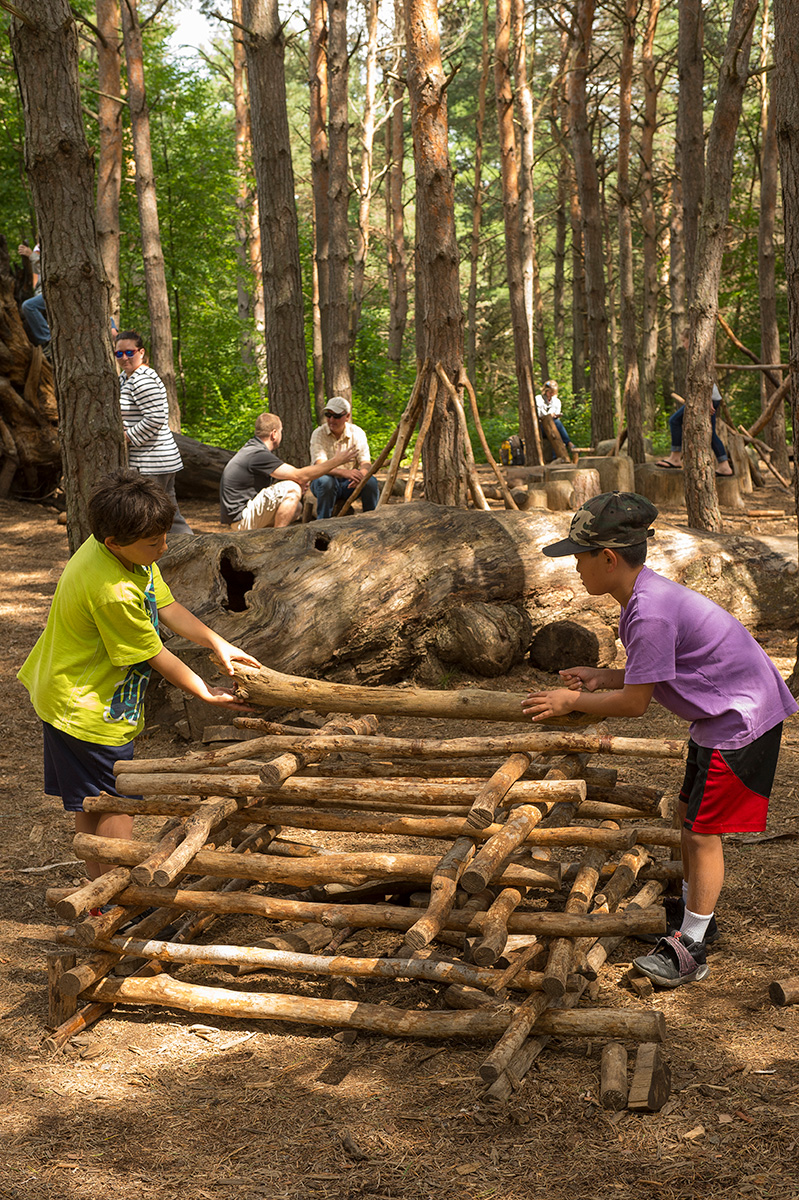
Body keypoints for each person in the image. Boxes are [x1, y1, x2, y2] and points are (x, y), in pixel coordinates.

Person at [521, 491, 797, 989]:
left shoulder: (648, 611)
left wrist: (571, 702)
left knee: (701, 831)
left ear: (608, 558)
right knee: (689, 813)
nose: (575, 568)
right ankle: (695, 912)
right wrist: (604, 676)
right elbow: (650, 673)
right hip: (722, 715)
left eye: (579, 557)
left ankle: (692, 943)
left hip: (740, 719)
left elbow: (635, 704)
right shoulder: (645, 597)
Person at [17, 470, 261, 881]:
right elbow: (153, 652)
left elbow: (165, 605)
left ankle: (99, 895)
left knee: (92, 799)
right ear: (115, 541)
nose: (164, 547)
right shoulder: (112, 589)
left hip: (68, 694)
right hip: (86, 707)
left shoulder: (122, 553)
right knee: (117, 799)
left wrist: (217, 642)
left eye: (163, 536)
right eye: (154, 542)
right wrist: (202, 690)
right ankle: (114, 894)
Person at [219, 411, 357, 530]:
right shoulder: (257, 454)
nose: (281, 435)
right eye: (281, 431)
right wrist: (337, 461)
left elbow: (294, 476)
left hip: (240, 517)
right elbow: (299, 475)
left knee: (296, 507)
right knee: (292, 488)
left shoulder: (253, 449)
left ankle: (264, 537)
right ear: (274, 434)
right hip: (242, 518)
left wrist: (298, 480)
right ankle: (277, 539)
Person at [116, 330, 193, 536]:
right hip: (152, 461)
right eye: (119, 354)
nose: (124, 358)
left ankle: (184, 552)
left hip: (153, 462)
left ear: (141, 352)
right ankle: (187, 551)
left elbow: (156, 417)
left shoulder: (143, 379)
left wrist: (127, 436)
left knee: (152, 515)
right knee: (167, 513)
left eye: (130, 352)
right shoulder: (126, 378)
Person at [309, 396, 380, 520]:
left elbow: (366, 462)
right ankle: (321, 524)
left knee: (370, 482)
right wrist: (345, 473)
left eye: (336, 416)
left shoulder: (357, 433)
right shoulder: (318, 433)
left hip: (349, 484)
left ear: (347, 416)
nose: (331, 420)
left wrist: (361, 476)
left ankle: (371, 521)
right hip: (323, 482)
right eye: (328, 415)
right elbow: (320, 465)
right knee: (326, 481)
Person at [655, 383, 732, 476]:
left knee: (675, 421)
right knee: (710, 433)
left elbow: (707, 376)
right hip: (706, 397)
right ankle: (724, 466)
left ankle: (675, 458)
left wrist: (707, 398)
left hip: (706, 398)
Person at [18, 243, 51, 353]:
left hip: (54, 293)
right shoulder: (38, 251)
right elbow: (36, 279)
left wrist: (31, 255)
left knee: (29, 306)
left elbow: (47, 268)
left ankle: (47, 339)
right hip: (43, 295)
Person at [535, 379, 576, 461]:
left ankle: (556, 457)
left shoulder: (556, 401)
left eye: (553, 393)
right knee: (556, 424)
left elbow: (557, 412)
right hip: (542, 426)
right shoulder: (538, 399)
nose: (551, 394)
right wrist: (549, 416)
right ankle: (569, 443)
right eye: (550, 392)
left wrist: (555, 415)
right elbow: (539, 414)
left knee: (555, 426)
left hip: (553, 426)